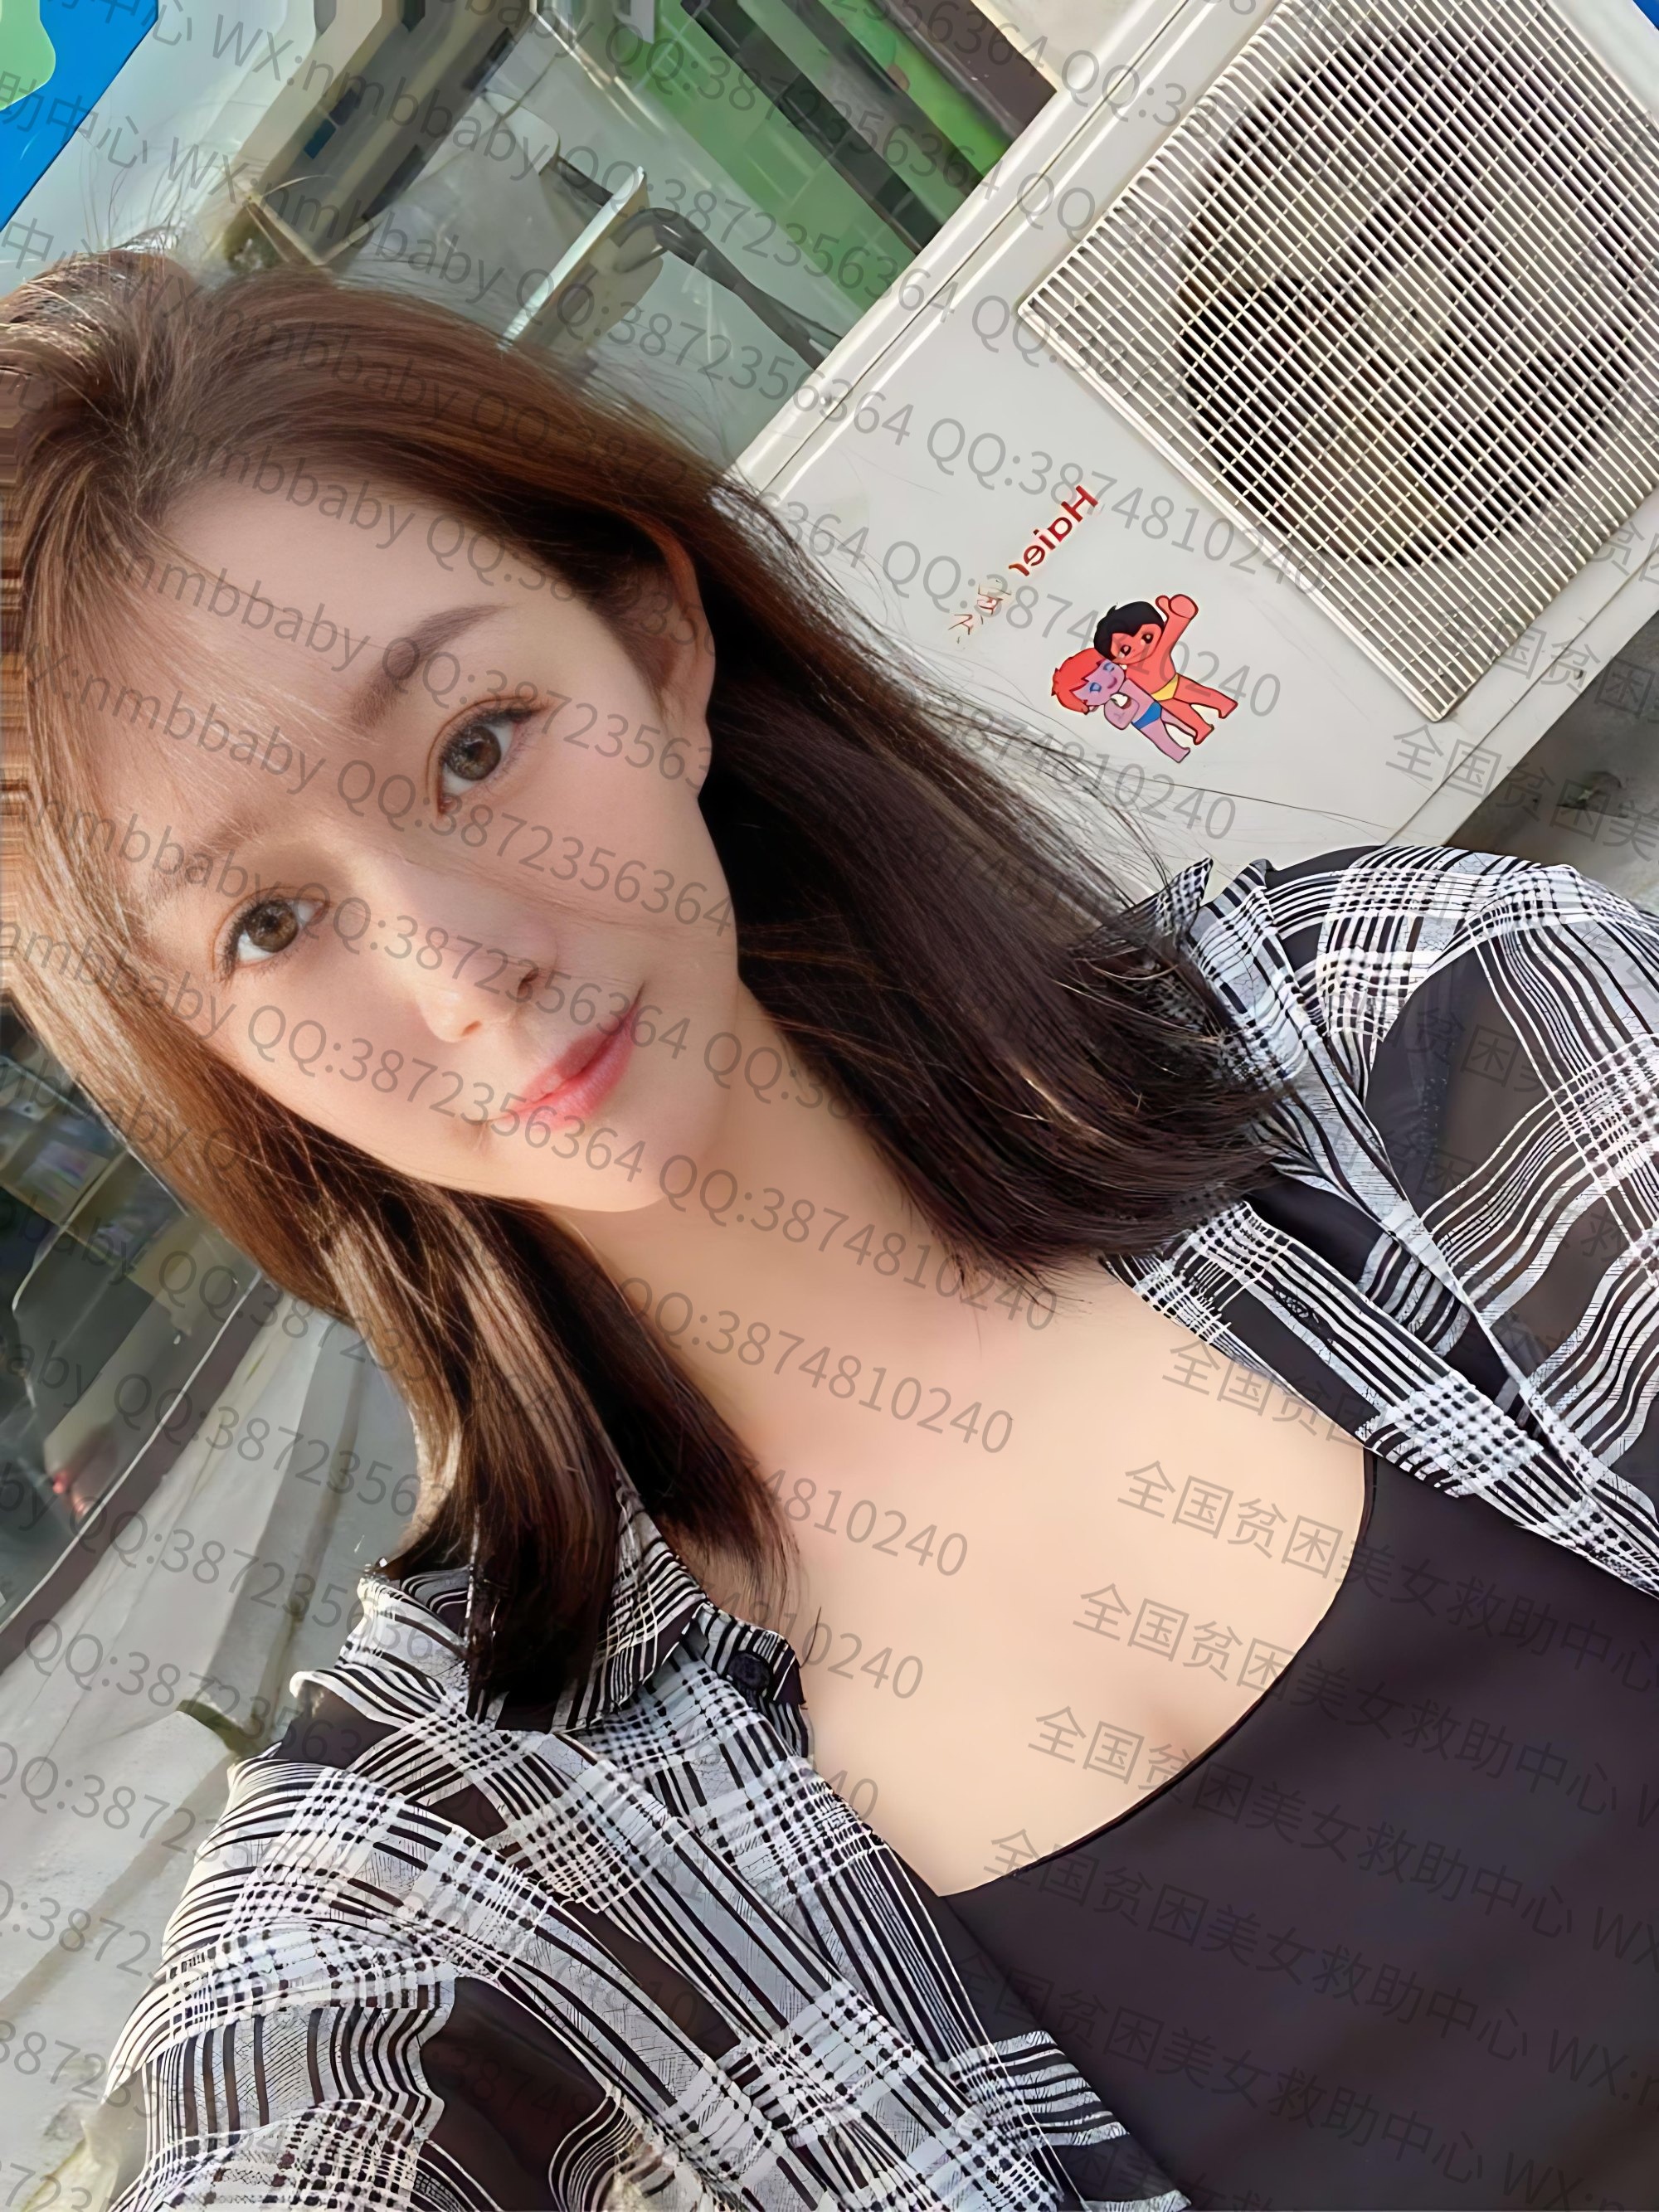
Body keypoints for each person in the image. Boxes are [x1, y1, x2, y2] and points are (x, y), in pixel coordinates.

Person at [3, 248, 1659, 2212]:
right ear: (200, 1046)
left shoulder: (1414, 1036)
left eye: (475, 743)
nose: (462, 967)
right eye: (271, 924)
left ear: (656, 649)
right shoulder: (452, 1856)